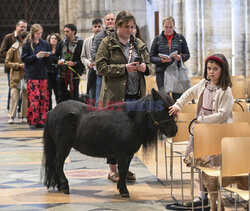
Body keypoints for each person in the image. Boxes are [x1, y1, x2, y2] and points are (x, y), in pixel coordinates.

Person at [169, 54, 234, 207]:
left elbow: (222, 114)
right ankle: (202, 195)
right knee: (200, 162)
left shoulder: (226, 91)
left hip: (217, 132)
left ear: (222, 70)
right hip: (201, 130)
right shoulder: (204, 84)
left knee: (212, 163)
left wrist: (203, 120)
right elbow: (188, 93)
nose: (211, 72)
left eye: (215, 69)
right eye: (209, 68)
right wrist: (178, 105)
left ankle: (215, 195)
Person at [96, 10, 152, 182]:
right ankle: (113, 170)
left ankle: (124, 168)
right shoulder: (107, 42)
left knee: (131, 136)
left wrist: (144, 67)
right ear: (118, 26)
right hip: (115, 97)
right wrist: (124, 68)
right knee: (114, 135)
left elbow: (150, 65)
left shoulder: (138, 44)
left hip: (135, 97)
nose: (130, 30)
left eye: (132, 27)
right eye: (126, 27)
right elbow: (100, 67)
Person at [149, 16, 190, 102]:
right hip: (162, 73)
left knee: (177, 99)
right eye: (166, 27)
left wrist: (180, 57)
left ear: (174, 26)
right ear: (163, 27)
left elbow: (187, 54)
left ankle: (176, 115)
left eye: (170, 27)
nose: (168, 29)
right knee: (164, 99)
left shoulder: (180, 38)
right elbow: (151, 57)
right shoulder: (157, 39)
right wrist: (161, 60)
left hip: (177, 72)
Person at [21, 24, 50, 128]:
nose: (39, 35)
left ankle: (42, 120)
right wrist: (35, 56)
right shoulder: (27, 44)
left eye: (40, 33)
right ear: (32, 33)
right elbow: (24, 59)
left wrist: (47, 55)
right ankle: (33, 120)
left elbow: (48, 58)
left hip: (43, 74)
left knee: (44, 98)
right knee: (34, 99)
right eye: (37, 33)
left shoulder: (44, 43)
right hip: (32, 75)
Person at [0, 19, 28, 114]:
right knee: (13, 89)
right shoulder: (9, 37)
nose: (23, 29)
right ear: (17, 27)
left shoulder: (27, 39)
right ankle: (10, 109)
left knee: (23, 89)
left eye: (25, 27)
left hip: (23, 69)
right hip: (12, 68)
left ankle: (20, 109)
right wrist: (11, 57)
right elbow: (2, 51)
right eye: (21, 27)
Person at [55, 24, 84, 102]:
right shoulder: (61, 43)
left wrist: (75, 63)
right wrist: (58, 61)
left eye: (67, 31)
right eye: (64, 31)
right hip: (62, 73)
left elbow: (84, 59)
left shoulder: (80, 43)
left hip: (74, 73)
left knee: (74, 96)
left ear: (73, 32)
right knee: (61, 96)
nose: (65, 33)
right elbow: (54, 56)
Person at [91, 13, 116, 105]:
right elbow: (93, 53)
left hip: (118, 73)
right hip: (102, 73)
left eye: (112, 19)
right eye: (108, 20)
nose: (110, 21)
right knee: (100, 99)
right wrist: (104, 61)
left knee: (116, 99)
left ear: (116, 21)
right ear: (105, 22)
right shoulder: (98, 36)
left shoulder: (121, 35)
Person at [5, 31, 28, 124]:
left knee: (25, 97)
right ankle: (11, 116)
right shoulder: (14, 48)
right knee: (14, 96)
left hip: (26, 75)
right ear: (22, 39)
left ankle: (24, 115)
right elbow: (7, 62)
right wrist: (18, 65)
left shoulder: (30, 47)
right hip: (16, 76)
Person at [81, 18, 103, 100]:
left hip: (101, 71)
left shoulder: (105, 40)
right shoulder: (87, 41)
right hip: (91, 71)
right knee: (92, 95)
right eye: (95, 26)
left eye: (99, 26)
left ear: (102, 27)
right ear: (92, 28)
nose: (97, 28)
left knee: (100, 95)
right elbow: (82, 57)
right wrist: (88, 62)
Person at [46, 33, 61, 110]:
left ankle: (58, 110)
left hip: (57, 74)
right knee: (48, 94)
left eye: (55, 38)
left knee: (58, 93)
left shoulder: (60, 50)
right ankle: (49, 111)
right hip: (48, 74)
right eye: (52, 38)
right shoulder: (46, 50)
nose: (53, 40)